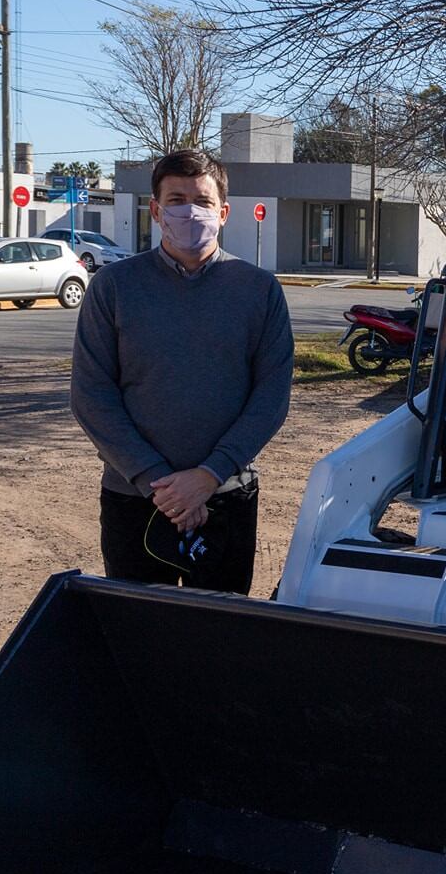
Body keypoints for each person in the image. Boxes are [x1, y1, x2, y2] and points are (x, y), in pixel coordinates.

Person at [71, 147, 293, 594]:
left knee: (219, 638)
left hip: (226, 497)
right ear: (155, 210)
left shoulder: (259, 291)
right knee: (138, 636)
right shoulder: (113, 287)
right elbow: (92, 395)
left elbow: (270, 398)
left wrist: (208, 476)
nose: (189, 211)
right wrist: (162, 485)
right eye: (176, 200)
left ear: (224, 212)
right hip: (135, 499)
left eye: (203, 202)